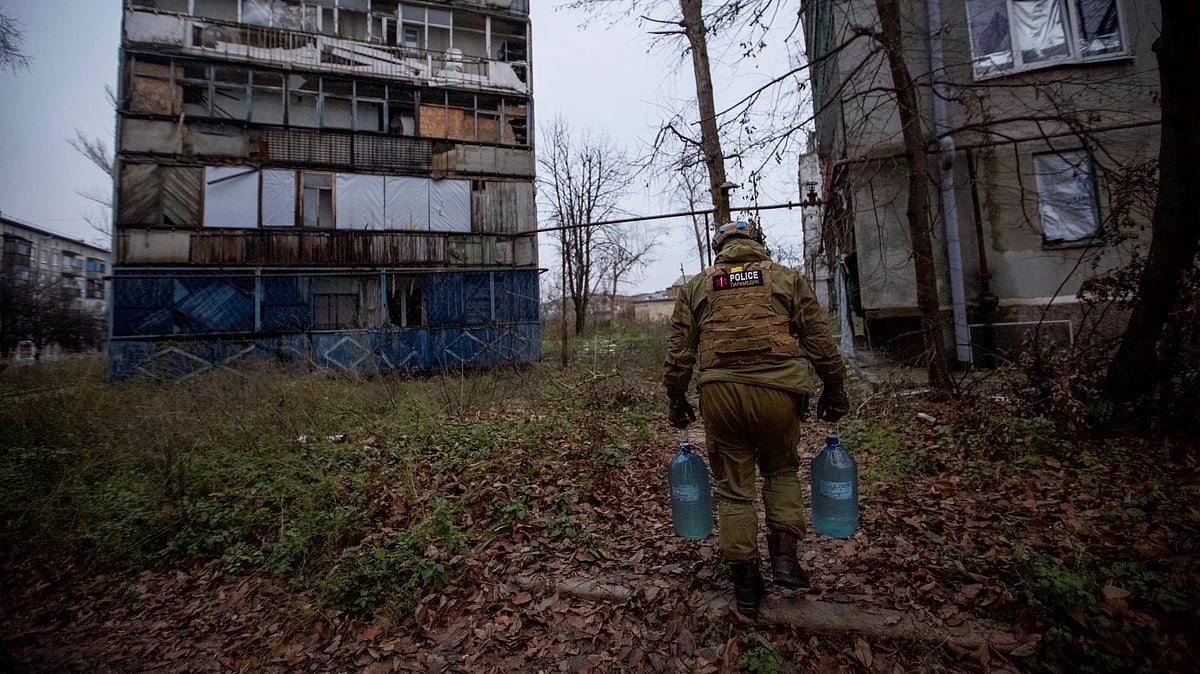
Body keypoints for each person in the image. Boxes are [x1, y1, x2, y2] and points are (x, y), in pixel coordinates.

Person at [663, 219, 849, 620]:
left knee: (734, 490)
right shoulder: (785, 279)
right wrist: (835, 390)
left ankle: (746, 586)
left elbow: (679, 354)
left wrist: (677, 400)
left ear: (720, 248)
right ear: (757, 244)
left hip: (720, 397)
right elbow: (819, 341)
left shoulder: (697, 286)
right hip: (779, 395)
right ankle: (784, 562)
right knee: (780, 471)